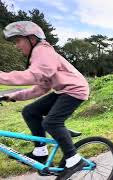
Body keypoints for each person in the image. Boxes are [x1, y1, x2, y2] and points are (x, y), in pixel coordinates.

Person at [0, 21, 90, 180]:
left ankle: (74, 161)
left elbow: (34, 75)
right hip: (63, 91)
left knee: (51, 122)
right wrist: (14, 96)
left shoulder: (43, 50)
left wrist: (2, 76)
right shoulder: (39, 56)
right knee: (30, 111)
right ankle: (40, 152)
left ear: (32, 39)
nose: (16, 46)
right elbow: (41, 88)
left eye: (18, 40)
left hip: (75, 90)